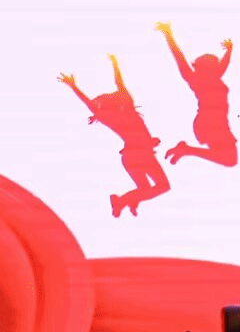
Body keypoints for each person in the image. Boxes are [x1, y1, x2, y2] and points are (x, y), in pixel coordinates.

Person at [57, 57, 170, 217]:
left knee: (147, 188)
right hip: (139, 155)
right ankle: (125, 200)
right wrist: (115, 64)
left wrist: (74, 86)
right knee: (162, 186)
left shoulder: (113, 117)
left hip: (132, 157)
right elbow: (118, 85)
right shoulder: (125, 113)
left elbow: (100, 97)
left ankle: (127, 200)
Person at [155, 21, 238, 167]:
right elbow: (179, 56)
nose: (218, 64)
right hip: (211, 121)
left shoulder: (213, 78)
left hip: (215, 121)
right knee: (229, 159)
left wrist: (229, 51)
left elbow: (224, 64)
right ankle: (186, 150)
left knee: (229, 159)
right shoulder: (196, 79)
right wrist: (168, 35)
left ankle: (186, 150)